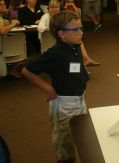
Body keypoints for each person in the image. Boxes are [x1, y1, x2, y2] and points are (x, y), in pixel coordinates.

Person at [20, 10, 89, 162]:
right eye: (76, 29)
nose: (81, 32)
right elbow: (27, 70)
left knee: (79, 135)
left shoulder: (75, 45)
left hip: (79, 99)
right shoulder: (55, 53)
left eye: (81, 27)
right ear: (61, 34)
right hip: (64, 105)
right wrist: (48, 89)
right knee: (64, 145)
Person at [38, 0, 100, 66]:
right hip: (51, 41)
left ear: (59, 8)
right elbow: (40, 27)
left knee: (78, 42)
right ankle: (81, 66)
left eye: (56, 7)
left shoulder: (61, 16)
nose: (54, 9)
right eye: (52, 7)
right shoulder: (45, 16)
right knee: (74, 45)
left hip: (61, 39)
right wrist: (54, 29)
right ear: (48, 8)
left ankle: (81, 67)